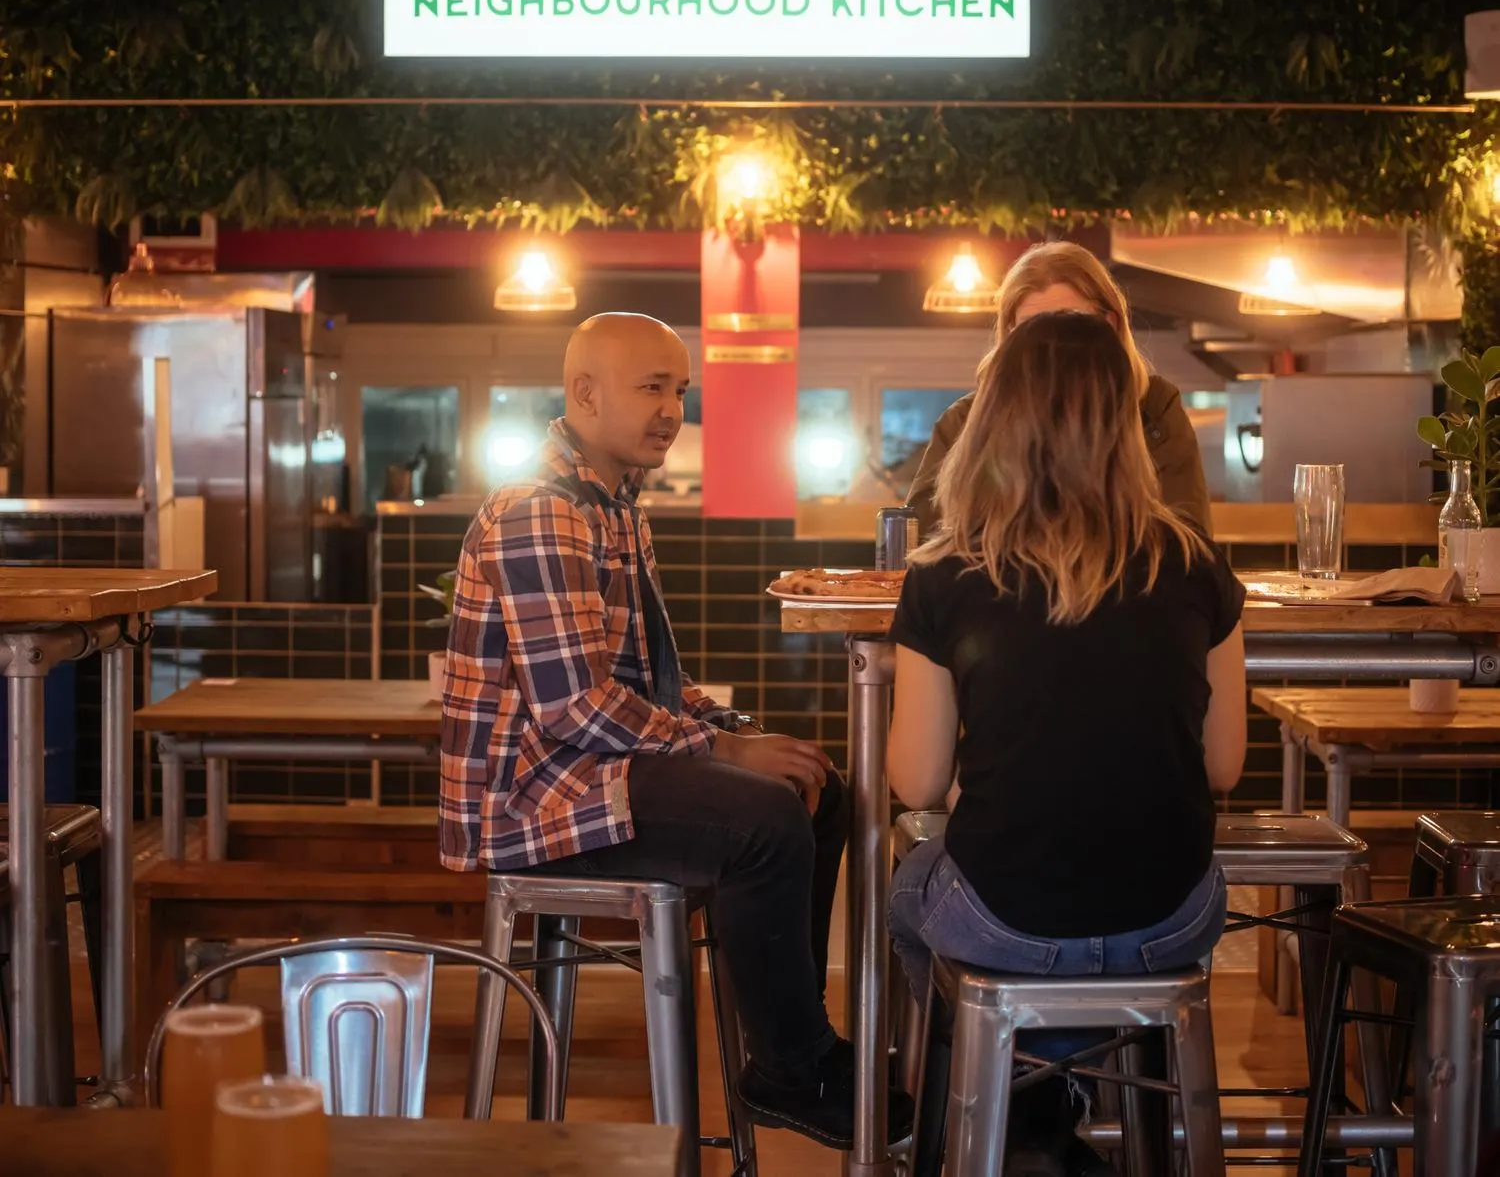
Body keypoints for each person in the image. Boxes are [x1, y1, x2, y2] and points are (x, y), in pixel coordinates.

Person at [440, 311, 913, 1150]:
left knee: (817, 787)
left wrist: (744, 733)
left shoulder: (615, 508)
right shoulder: (543, 511)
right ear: (585, 393)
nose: (671, 411)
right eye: (651, 388)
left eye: (680, 392)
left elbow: (652, 685)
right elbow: (574, 707)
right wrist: (725, 750)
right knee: (766, 822)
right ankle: (791, 1067)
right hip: (533, 803)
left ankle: (795, 1044)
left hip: (591, 775)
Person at [887, 311, 1246, 1175]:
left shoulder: (943, 574)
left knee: (908, 890)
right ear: (1126, 427)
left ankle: (1001, 1106)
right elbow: (1223, 766)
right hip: (1169, 921)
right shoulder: (1197, 565)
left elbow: (916, 783)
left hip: (1007, 924)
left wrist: (983, 776)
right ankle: (1061, 1098)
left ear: (994, 421)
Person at [907, 240, 1212, 537]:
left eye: (1072, 325)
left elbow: (1189, 537)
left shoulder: (1153, 407)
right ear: (1009, 334)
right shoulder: (966, 420)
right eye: (1032, 329)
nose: (1052, 345)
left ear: (1111, 323)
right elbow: (920, 536)